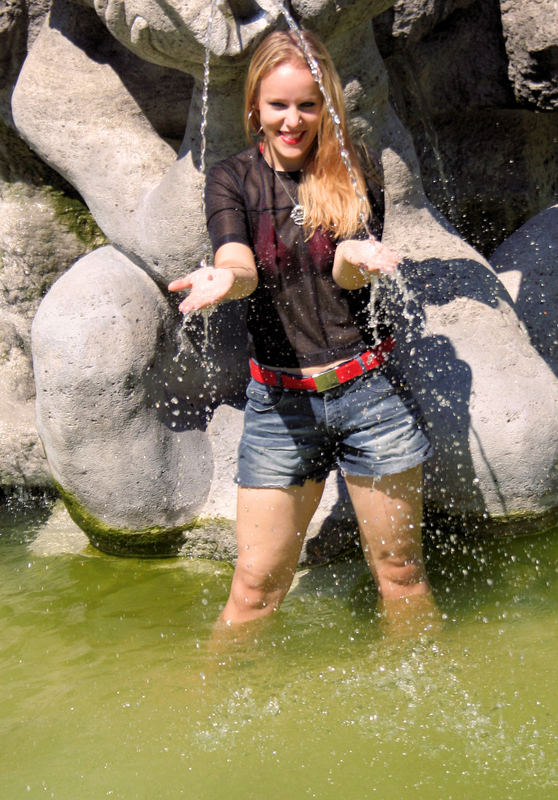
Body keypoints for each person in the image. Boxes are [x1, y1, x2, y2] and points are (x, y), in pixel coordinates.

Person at [169, 29, 434, 629]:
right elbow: (239, 262)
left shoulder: (354, 165)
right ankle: (208, 707)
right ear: (254, 109)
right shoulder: (231, 178)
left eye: (307, 105)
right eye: (279, 105)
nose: (293, 119)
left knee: (401, 577)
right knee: (255, 587)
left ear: (327, 107)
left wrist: (358, 259)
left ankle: (426, 705)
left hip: (367, 395)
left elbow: (345, 269)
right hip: (278, 408)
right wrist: (223, 279)